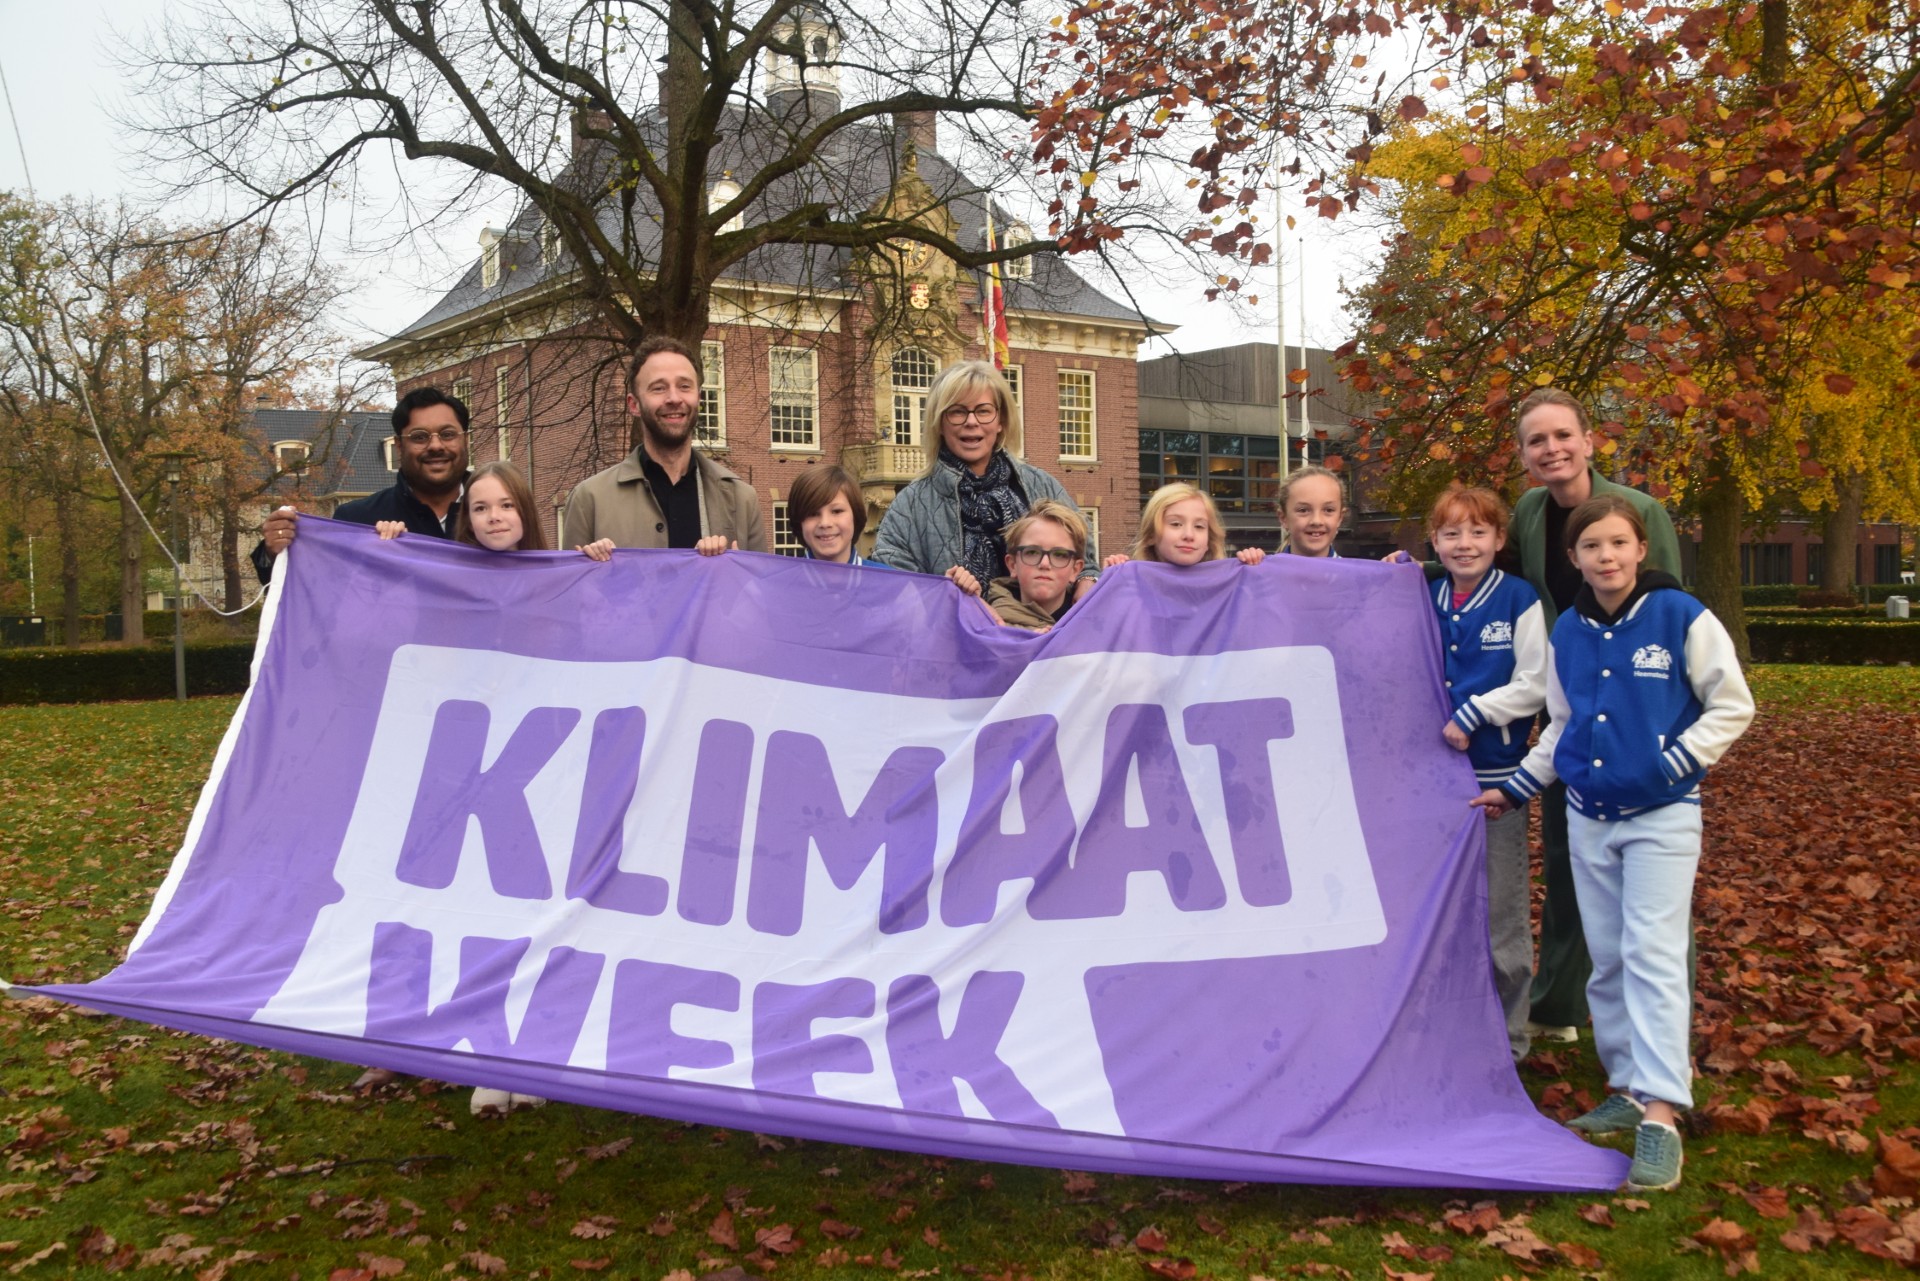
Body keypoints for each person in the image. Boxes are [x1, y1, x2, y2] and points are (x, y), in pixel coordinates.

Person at [1472, 496, 1752, 1191]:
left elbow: (1732, 703)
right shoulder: (1568, 628)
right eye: (1591, 546)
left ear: (1639, 549)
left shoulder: (1680, 614)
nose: (1606, 556)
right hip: (1591, 814)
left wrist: (1674, 762)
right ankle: (1628, 1085)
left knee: (1653, 951)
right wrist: (1513, 787)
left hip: (1661, 812)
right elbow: (1560, 726)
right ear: (1574, 558)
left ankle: (1662, 1114)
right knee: (1608, 957)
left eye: (1618, 543)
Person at [377, 459, 608, 1117]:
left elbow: (606, 645)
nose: (495, 516)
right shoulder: (445, 582)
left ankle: (532, 1054)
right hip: (469, 773)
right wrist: (393, 558)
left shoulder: (561, 578)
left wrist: (599, 570)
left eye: (506, 504)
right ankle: (487, 1055)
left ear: (525, 512)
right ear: (465, 520)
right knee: (479, 918)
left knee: (534, 915)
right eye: (480, 508)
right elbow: (399, 633)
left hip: (543, 771)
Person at [1509, 388, 1684, 1045]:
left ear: (1588, 440)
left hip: (1635, 721)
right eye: (1537, 441)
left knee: (1643, 878)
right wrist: (1414, 568)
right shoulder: (1528, 511)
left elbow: (1671, 614)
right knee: (1564, 860)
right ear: (1524, 454)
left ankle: (1662, 1036)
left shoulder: (1638, 510)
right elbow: (1493, 569)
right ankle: (1555, 1006)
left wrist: (1663, 726)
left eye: (1562, 435)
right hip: (1566, 713)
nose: (1551, 449)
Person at [1427, 485, 1547, 1063]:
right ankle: (1448, 1030)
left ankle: (1511, 1040)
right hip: (1429, 780)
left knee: (1500, 909)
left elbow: (1535, 682)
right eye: (1451, 533)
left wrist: (1475, 714)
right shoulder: (1424, 596)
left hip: (1495, 778)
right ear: (1435, 542)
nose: (1465, 543)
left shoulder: (1518, 598)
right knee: (1441, 910)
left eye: (1478, 531)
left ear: (1500, 538)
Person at [873, 360, 1097, 597]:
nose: (971, 422)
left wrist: (1086, 583)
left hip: (1043, 632)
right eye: (957, 412)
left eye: (983, 411)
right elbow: (893, 589)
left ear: (1001, 420)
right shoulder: (908, 507)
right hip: (955, 633)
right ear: (939, 422)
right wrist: (945, 595)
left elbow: (1087, 562)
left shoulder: (1043, 486)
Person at [561, 337, 766, 553]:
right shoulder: (589, 500)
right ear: (634, 404)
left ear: (699, 397)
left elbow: (761, 584)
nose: (674, 398)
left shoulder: (742, 499)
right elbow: (572, 585)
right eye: (658, 388)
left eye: (684, 386)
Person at [251, 387, 473, 581]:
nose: (435, 446)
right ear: (399, 446)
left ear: (466, 440)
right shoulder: (357, 520)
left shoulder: (503, 517)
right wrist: (274, 553)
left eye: (447, 434)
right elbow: (314, 592)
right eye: (419, 437)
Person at [1104, 482, 1266, 568]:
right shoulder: (1131, 584)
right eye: (1175, 524)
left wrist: (1254, 568)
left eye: (1199, 526)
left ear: (1209, 540)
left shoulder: (1230, 584)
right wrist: (1112, 582)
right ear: (1150, 535)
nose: (1189, 535)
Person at [986, 500, 1088, 630]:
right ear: (1012, 565)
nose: (1044, 564)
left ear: (1075, 570)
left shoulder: (1095, 626)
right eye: (1032, 552)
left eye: (1059, 554)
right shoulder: (987, 627)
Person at [787, 465, 889, 566]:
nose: (825, 523)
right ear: (799, 523)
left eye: (836, 511)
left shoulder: (889, 580)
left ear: (855, 516)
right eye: (812, 514)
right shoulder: (777, 581)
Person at [1276, 465, 1346, 557]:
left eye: (1328, 510)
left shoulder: (1355, 571)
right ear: (1283, 518)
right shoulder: (1262, 570)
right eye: (1303, 510)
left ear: (1340, 518)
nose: (1316, 521)